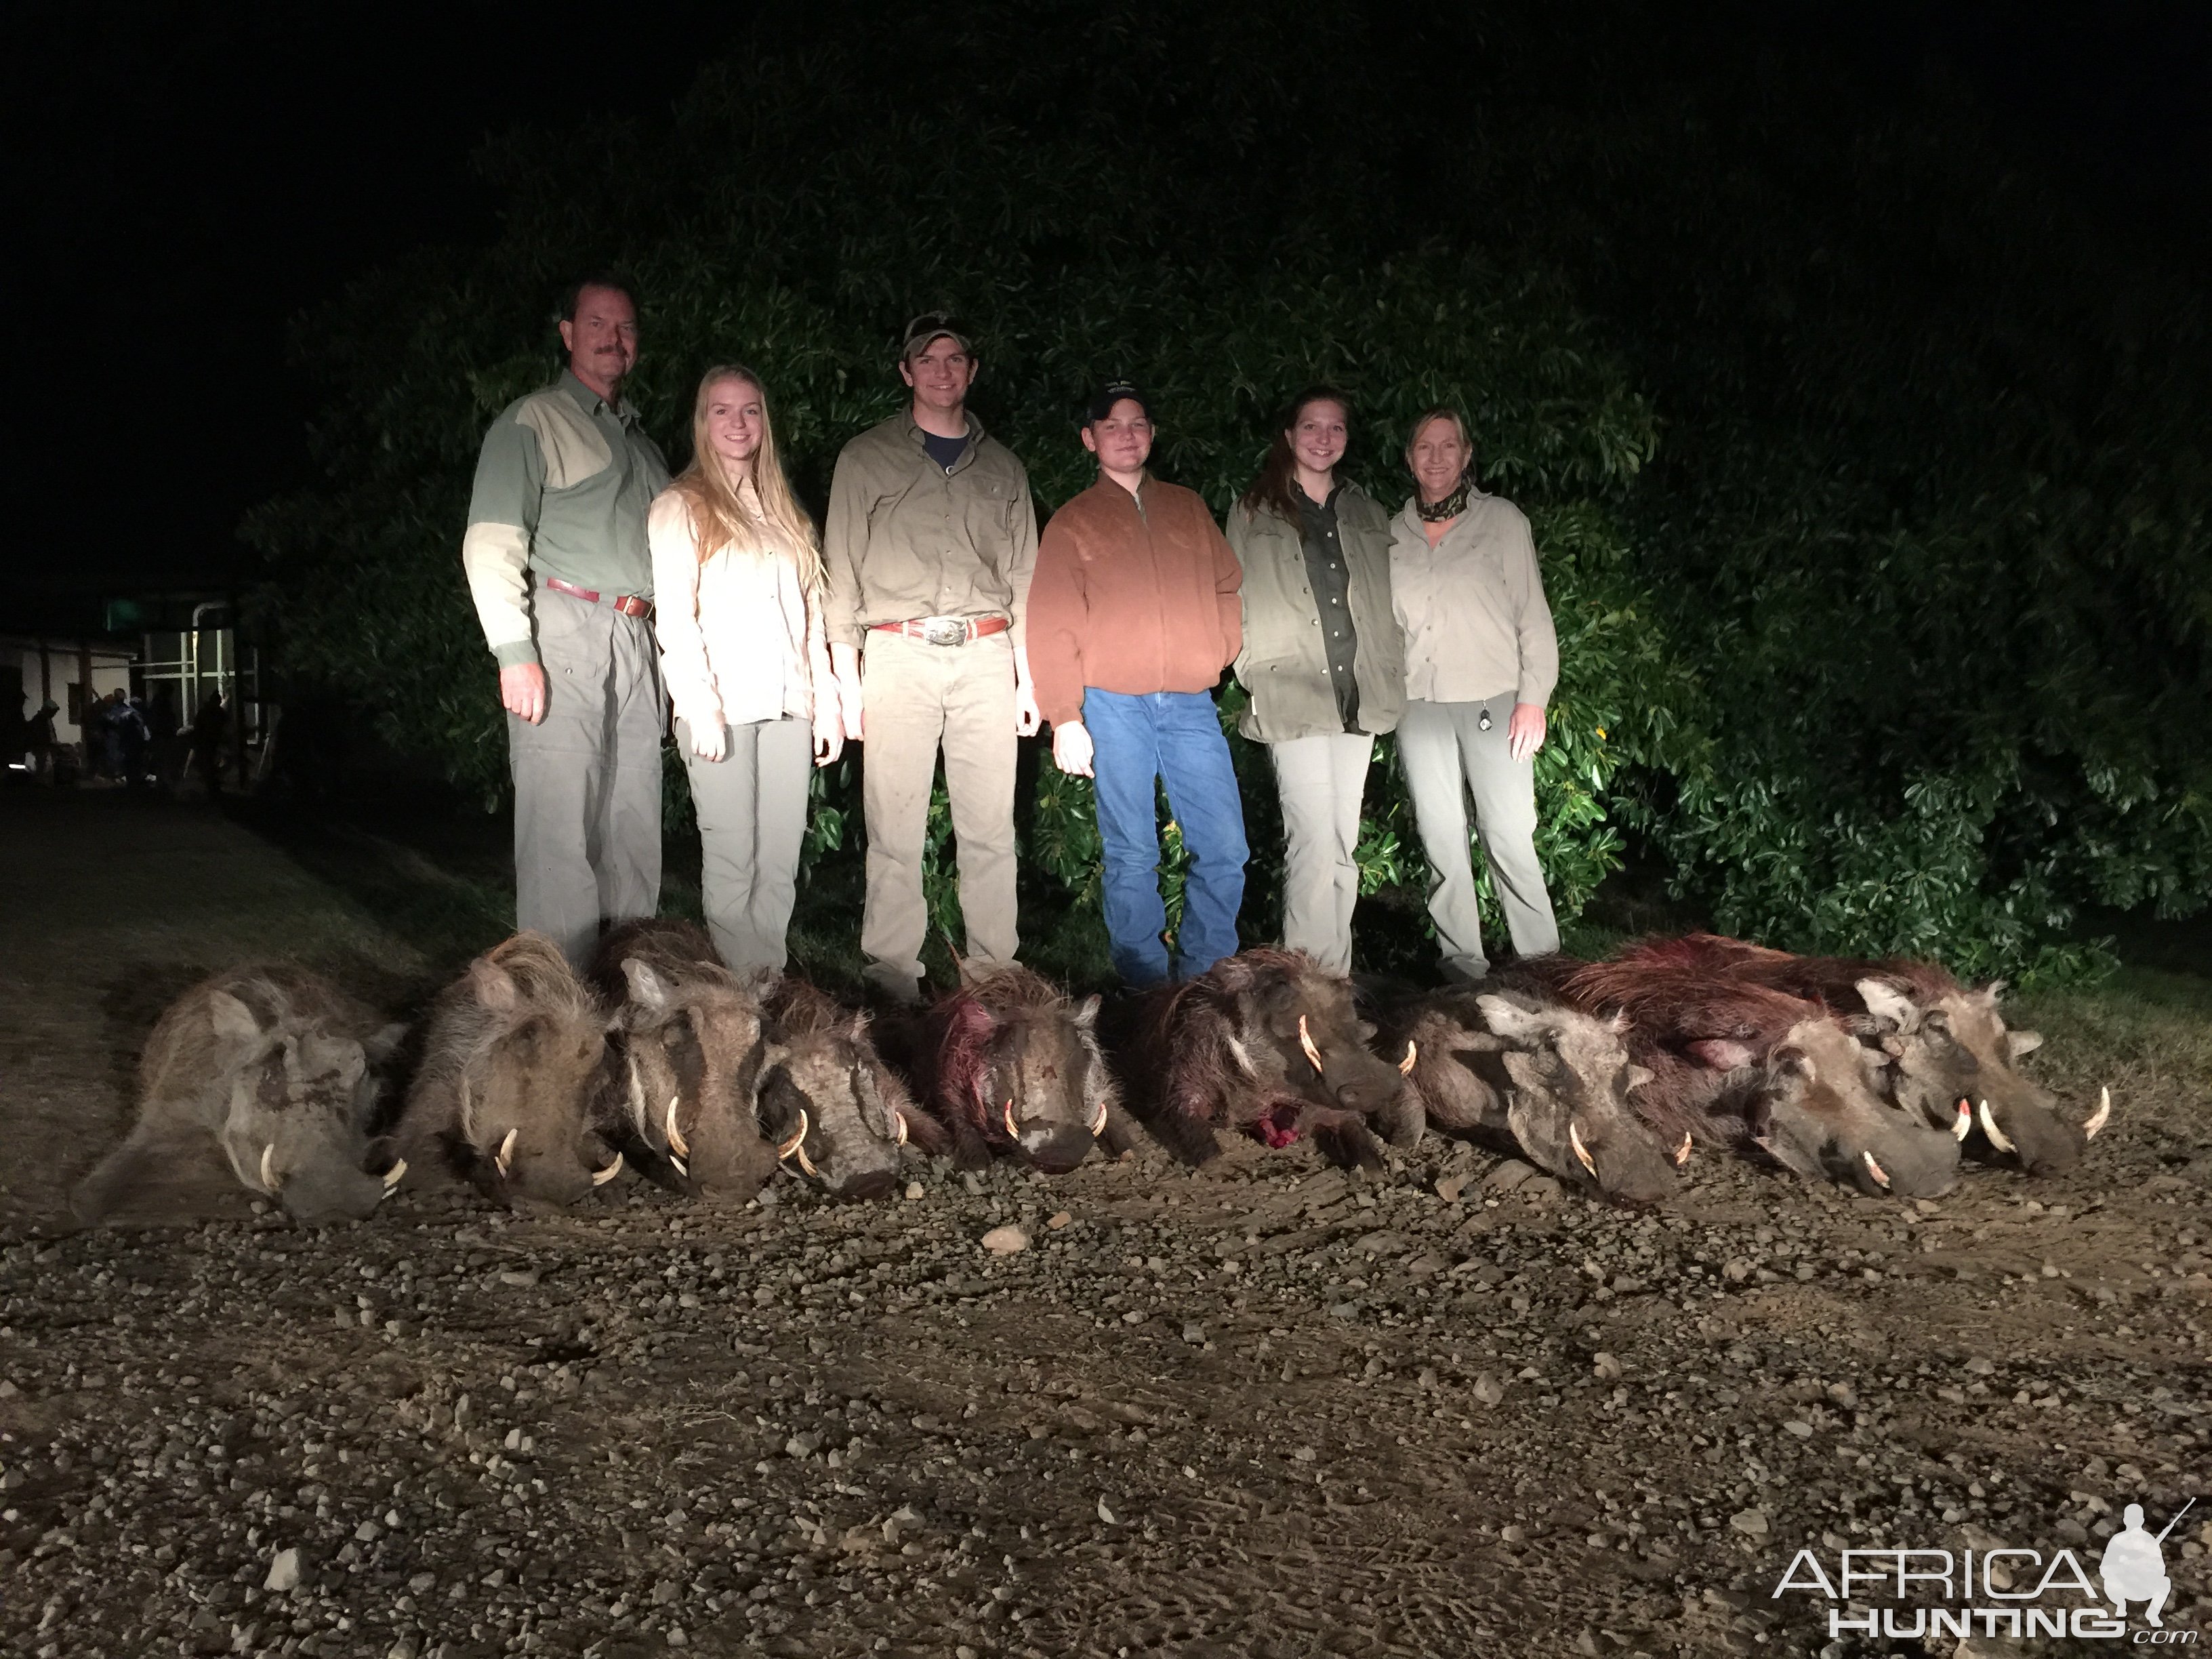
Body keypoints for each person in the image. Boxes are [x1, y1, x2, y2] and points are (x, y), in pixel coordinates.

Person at [822, 314, 1040, 1003]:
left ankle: (994, 977)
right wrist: (845, 677)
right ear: (907, 372)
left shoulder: (1005, 467)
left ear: (972, 371)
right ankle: (892, 976)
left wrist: (1028, 679)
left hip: (985, 656)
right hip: (897, 653)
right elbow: (841, 573)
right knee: (894, 826)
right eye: (928, 358)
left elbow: (1027, 580)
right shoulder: (864, 458)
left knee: (989, 827)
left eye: (955, 358)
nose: (942, 369)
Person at [461, 275, 671, 966]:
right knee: (560, 829)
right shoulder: (534, 420)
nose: (615, 338)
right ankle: (559, 1009)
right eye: (599, 323)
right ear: (569, 334)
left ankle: (629, 992)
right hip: (564, 630)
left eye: (627, 327)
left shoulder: (645, 446)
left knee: (633, 825)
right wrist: (514, 650)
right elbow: (492, 539)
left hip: (639, 640)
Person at [1028, 383, 1248, 985]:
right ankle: (1145, 988)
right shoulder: (1073, 522)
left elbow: (1228, 583)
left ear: (1152, 433)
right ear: (1090, 438)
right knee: (1131, 853)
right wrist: (1064, 715)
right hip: (1112, 704)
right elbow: (1052, 622)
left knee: (1225, 848)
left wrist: (1218, 648)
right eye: (1113, 425)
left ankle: (1205, 981)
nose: (1128, 435)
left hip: (1189, 704)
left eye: (1139, 423)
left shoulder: (1188, 506)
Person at [649, 366, 842, 972]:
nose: (738, 423)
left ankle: (769, 979)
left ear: (765, 420)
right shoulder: (681, 505)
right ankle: (738, 994)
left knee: (779, 860)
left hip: (789, 707)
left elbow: (810, 619)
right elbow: (675, 617)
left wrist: (826, 705)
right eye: (723, 411)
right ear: (703, 422)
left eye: (750, 410)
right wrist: (698, 705)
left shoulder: (787, 515)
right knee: (733, 859)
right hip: (722, 711)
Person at [1225, 388, 1401, 975]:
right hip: (1292, 693)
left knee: (1344, 845)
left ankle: (1337, 982)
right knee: (1311, 842)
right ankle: (1307, 988)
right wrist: (1251, 669)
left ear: (1347, 438)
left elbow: (1388, 603)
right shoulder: (1255, 509)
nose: (1323, 438)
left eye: (1335, 428)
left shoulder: (1368, 511)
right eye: (1311, 426)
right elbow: (1232, 598)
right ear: (1288, 435)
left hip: (1359, 695)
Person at [1388, 407, 1560, 981]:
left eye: (1448, 447)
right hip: (1420, 705)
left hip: (1494, 700)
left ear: (1466, 456)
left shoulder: (1503, 521)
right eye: (1424, 447)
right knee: (1441, 838)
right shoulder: (1393, 531)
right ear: (1409, 457)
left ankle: (1542, 964)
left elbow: (1533, 615)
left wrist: (1533, 696)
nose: (1436, 458)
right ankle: (1462, 965)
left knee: (1508, 833)